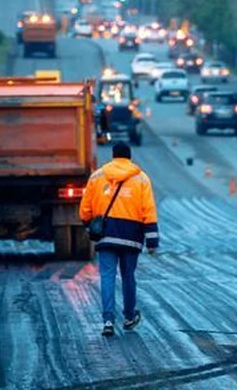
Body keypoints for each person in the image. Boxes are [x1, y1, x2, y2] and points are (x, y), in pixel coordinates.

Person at [79, 141, 159, 337]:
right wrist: (152, 241)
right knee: (128, 276)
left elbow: (85, 209)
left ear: (113, 156)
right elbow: (148, 210)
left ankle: (107, 320)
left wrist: (89, 224)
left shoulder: (97, 176)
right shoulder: (141, 179)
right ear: (129, 157)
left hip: (106, 235)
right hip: (131, 236)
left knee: (107, 277)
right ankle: (130, 316)